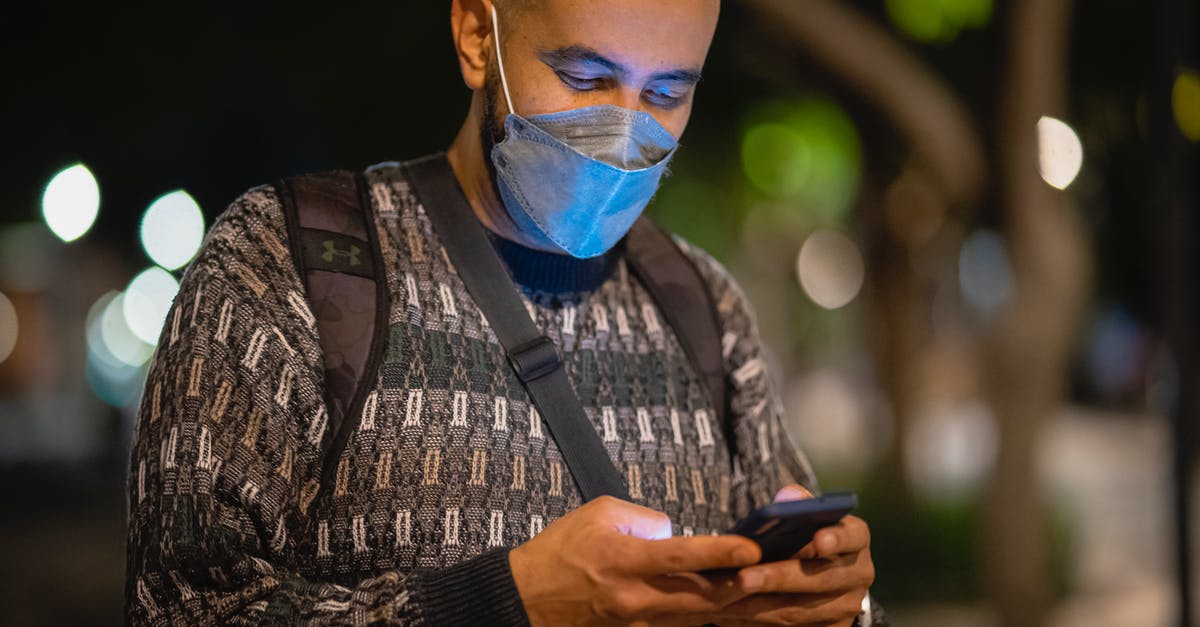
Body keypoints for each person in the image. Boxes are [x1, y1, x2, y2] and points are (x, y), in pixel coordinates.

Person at [124, 0, 882, 624]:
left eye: (665, 95)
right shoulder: (287, 262)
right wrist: (506, 601)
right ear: (476, 36)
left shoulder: (704, 303)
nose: (624, 134)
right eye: (585, 76)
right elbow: (185, 608)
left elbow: (799, 587)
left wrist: (836, 604)